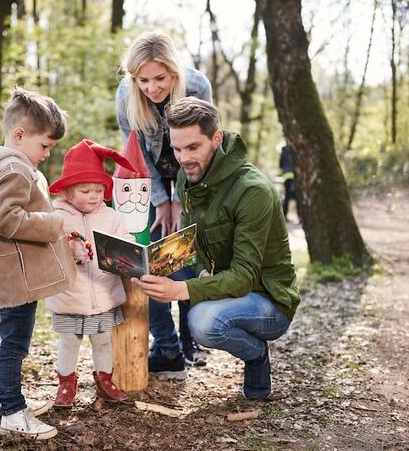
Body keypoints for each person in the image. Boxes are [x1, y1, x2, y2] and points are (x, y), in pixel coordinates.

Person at [132, 97, 300, 399]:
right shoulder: (187, 175)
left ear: (216, 138)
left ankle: (255, 353)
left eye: (193, 147)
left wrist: (183, 290)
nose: (183, 158)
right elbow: (190, 242)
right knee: (148, 266)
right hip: (219, 276)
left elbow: (244, 277)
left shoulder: (253, 191)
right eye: (177, 148)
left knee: (203, 323)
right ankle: (168, 351)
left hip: (267, 299)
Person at [0, 87, 76, 439]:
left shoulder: (7, 165)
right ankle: (11, 411)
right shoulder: (14, 170)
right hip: (13, 277)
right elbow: (6, 219)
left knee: (13, 340)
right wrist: (52, 223)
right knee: (15, 344)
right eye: (45, 146)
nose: (47, 154)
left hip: (11, 274)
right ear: (20, 135)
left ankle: (5, 397)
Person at [115, 31, 213, 376]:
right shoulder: (126, 96)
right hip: (147, 183)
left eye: (160, 79)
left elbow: (202, 147)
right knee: (150, 260)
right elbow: (137, 153)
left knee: (184, 252)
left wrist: (179, 198)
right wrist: (161, 200)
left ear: (175, 73)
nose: (152, 88)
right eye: (143, 80)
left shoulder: (198, 87)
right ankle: (168, 349)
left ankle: (192, 342)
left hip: (191, 176)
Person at [46, 139, 138, 408]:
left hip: (103, 293)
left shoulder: (110, 216)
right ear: (68, 192)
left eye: (99, 189)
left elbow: (123, 239)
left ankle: (105, 381)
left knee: (103, 340)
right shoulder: (57, 215)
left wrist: (128, 250)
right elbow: (49, 247)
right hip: (70, 296)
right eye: (86, 190)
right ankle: (66, 384)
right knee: (70, 341)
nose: (94, 195)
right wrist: (68, 249)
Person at [279, 144, 299, 222]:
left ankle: (284, 215)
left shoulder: (283, 151)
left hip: (287, 175)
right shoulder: (296, 149)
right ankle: (300, 216)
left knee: (287, 196)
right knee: (297, 196)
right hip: (295, 176)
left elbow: (280, 164)